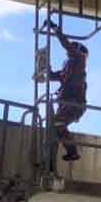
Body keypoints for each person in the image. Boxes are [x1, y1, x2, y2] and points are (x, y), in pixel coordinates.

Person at [43, 19, 88, 162]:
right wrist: (44, 65)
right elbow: (51, 76)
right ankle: (66, 154)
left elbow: (66, 45)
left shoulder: (79, 62)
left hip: (74, 105)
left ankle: (73, 152)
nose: (69, 52)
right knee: (55, 126)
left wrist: (55, 28)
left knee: (57, 124)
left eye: (73, 49)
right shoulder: (67, 69)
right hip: (66, 104)